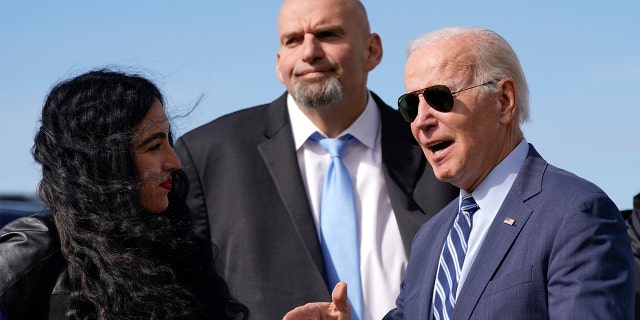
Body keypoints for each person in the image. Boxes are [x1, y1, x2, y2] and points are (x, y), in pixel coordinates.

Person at [283, 26, 635, 319]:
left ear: (504, 101)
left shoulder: (575, 213)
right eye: (410, 104)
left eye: (440, 97)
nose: (421, 120)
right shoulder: (433, 235)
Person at [174, 0, 458, 319]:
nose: (310, 52)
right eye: (293, 40)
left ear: (372, 50)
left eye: (328, 34)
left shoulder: (435, 146)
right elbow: (184, 296)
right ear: (279, 63)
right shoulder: (207, 156)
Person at [0, 69, 249, 320]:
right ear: (105, 160)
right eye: (153, 146)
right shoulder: (37, 247)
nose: (174, 162)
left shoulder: (174, 245)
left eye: (167, 142)